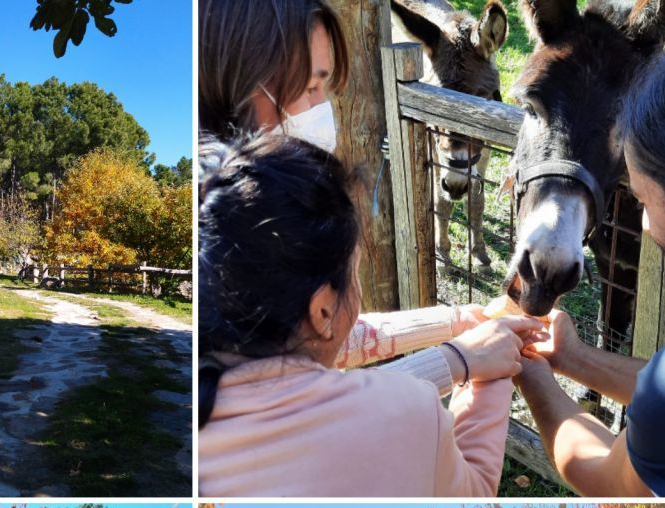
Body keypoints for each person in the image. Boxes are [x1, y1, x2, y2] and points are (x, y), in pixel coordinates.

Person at [199, 0, 540, 401]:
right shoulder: (251, 229)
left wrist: (460, 320)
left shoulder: (239, 208)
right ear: (235, 83)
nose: (323, 111)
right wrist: (467, 368)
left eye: (324, 88)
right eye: (311, 87)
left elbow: (336, 335)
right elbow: (316, 389)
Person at [198, 133, 546, 496]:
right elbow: (474, 493)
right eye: (356, 272)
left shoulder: (211, 369)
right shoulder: (407, 414)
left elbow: (344, 339)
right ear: (322, 309)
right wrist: (490, 370)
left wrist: (456, 326)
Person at [515, 51, 665, 497]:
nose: (648, 227)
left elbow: (606, 478)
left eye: (645, 202)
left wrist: (534, 378)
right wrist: (574, 358)